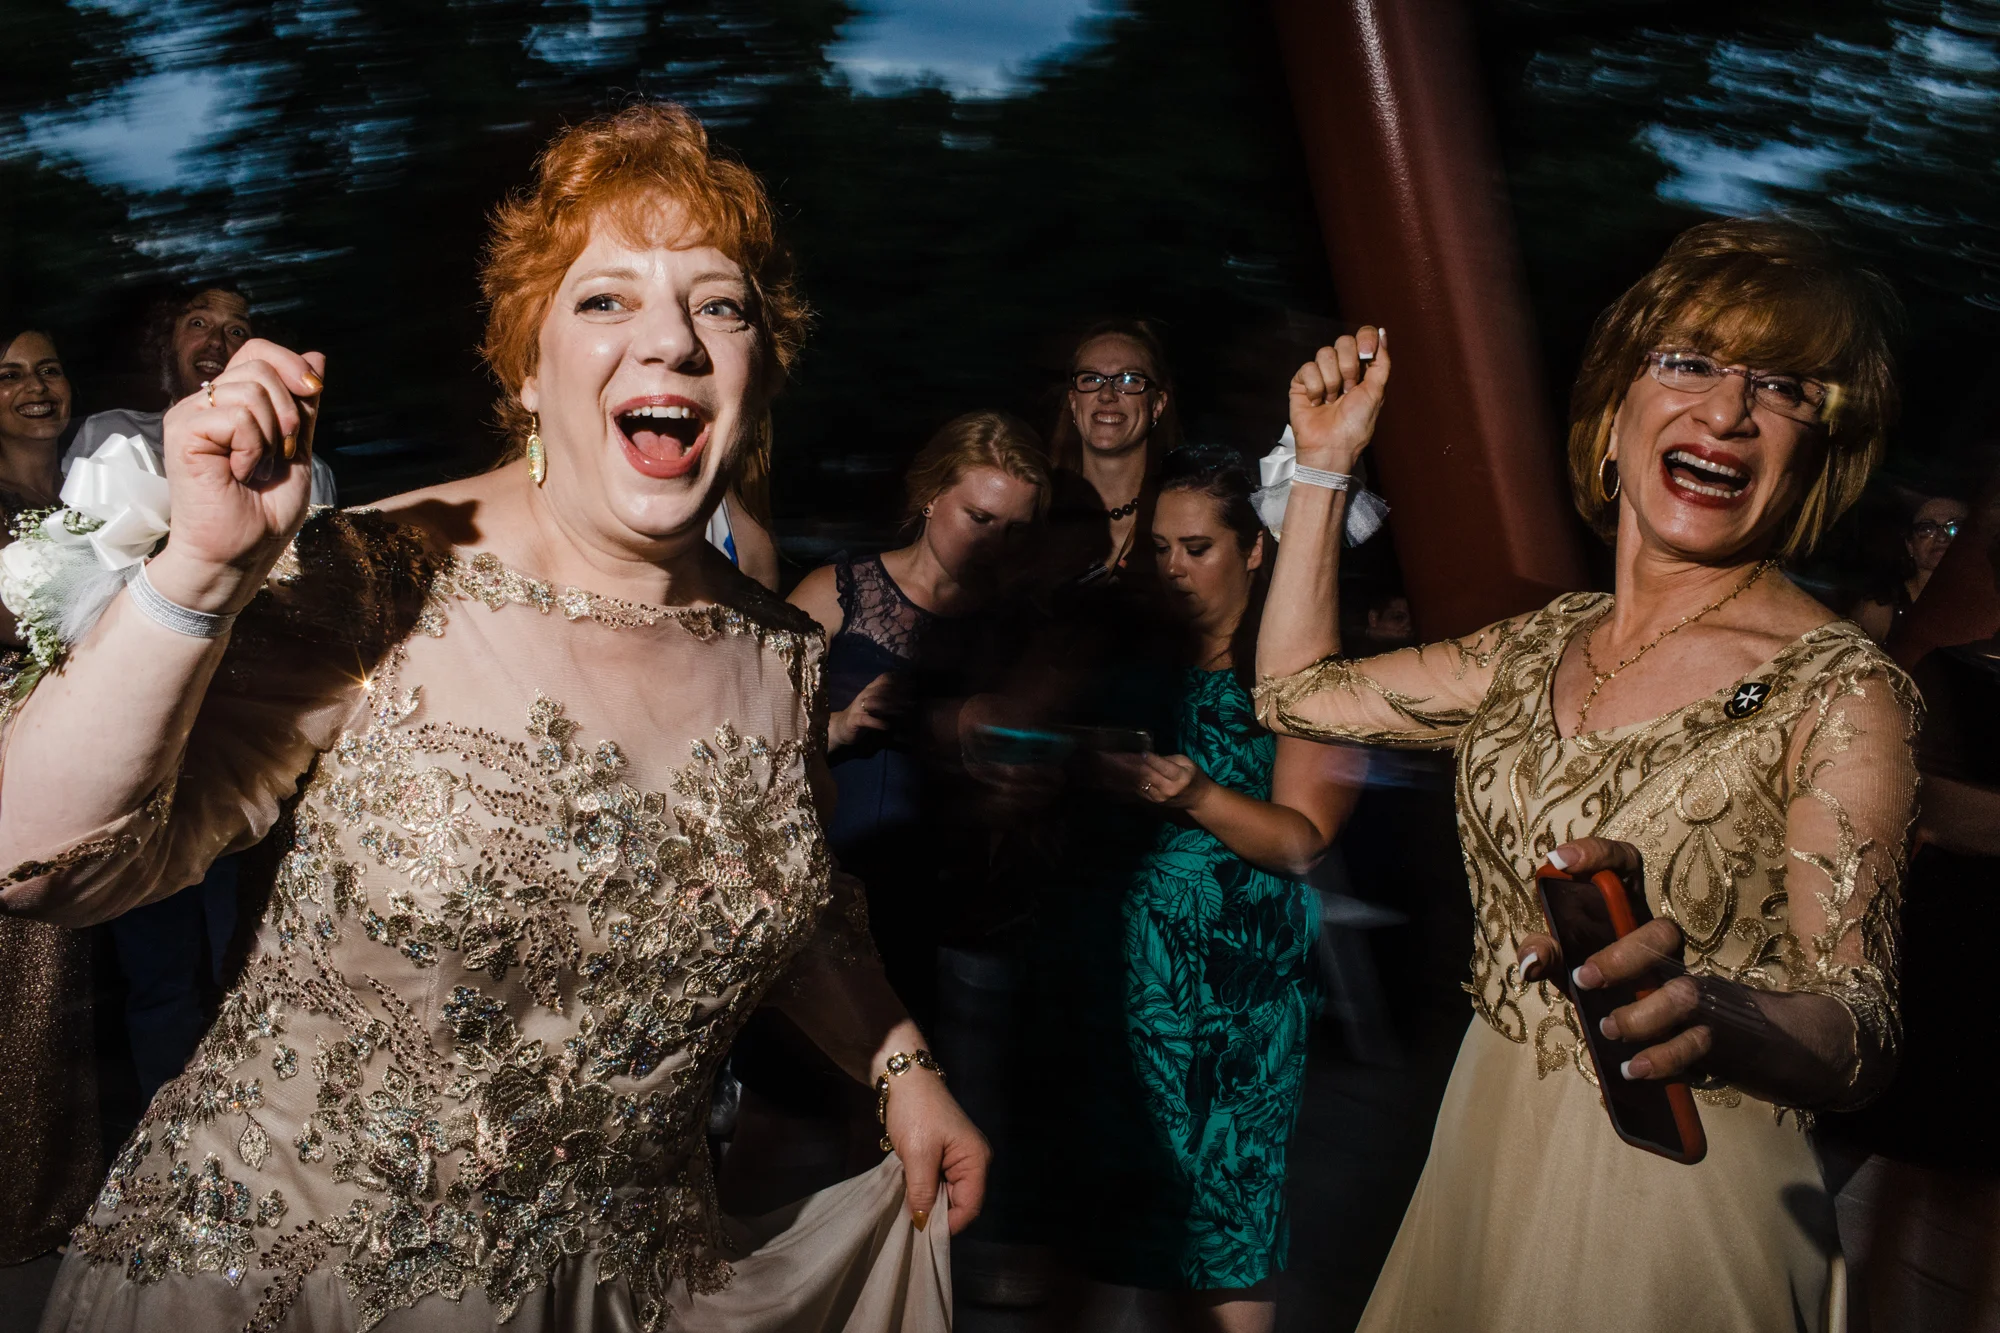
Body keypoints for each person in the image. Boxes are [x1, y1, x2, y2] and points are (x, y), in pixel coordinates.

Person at [6, 102, 985, 1332]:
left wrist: (900, 1066)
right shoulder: (373, 580)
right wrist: (197, 575)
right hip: (289, 1287)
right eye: (606, 299)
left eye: (719, 306)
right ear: (527, 369)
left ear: (758, 370)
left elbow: (790, 905)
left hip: (615, 1292)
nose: (671, 340)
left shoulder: (780, 654)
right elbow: (33, 861)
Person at [1255, 219, 1919, 1331]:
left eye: (1783, 388)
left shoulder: (1838, 690)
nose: (1727, 411)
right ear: (1613, 416)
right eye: (1690, 362)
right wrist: (1323, 465)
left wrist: (1715, 1011)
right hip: (1483, 1142)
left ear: (1810, 458)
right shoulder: (1535, 645)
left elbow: (1862, 1026)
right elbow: (1293, 694)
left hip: (1676, 1193)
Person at [721, 411, 1047, 1213]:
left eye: (1015, 528)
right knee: (774, 1124)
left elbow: (1034, 774)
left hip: (935, 912)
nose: (994, 542)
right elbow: (744, 742)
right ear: (931, 496)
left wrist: (994, 756)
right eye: (979, 517)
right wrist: (838, 725)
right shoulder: (837, 590)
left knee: (885, 1147)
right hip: (824, 898)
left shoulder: (1013, 630)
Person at [1075, 447, 1357, 1332]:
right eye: (1159, 549)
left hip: (1240, 1005)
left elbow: (1304, 840)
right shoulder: (1136, 663)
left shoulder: (1299, 672)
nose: (1173, 569)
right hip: (1128, 991)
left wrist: (1195, 793)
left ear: (1256, 548)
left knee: (1227, 1228)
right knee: (1122, 1235)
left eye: (1196, 548)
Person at [0, 323, 100, 1271]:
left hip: (90, 758)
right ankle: (26, 1213)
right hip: (10, 768)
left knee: (69, 984)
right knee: (26, 977)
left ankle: (60, 1192)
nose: (37, 388)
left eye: (49, 369)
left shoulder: (94, 488)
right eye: (9, 376)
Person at [66, 282, 339, 507]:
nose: (216, 342)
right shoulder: (106, 435)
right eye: (198, 323)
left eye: (236, 331)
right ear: (168, 341)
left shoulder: (302, 474)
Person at [1043, 319, 1183, 583]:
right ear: (1073, 401)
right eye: (1091, 378)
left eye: (1128, 380)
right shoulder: (1036, 511)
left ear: (1157, 404)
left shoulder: (1186, 514)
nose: (1107, 394)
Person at [1852, 493, 1970, 641]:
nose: (1942, 537)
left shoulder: (1987, 605)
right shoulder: (1879, 610)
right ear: (1910, 546)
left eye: (1955, 527)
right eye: (1926, 529)